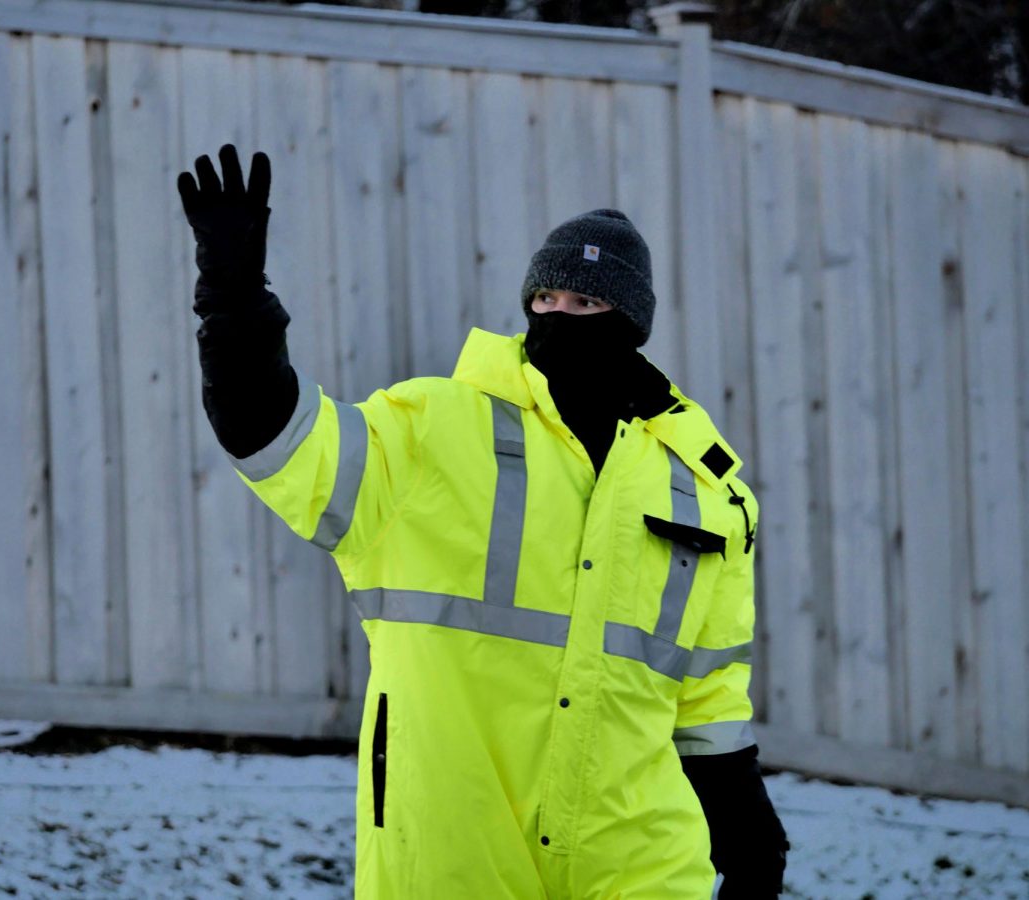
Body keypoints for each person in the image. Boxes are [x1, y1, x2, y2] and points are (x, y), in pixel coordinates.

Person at [178, 144, 788, 899]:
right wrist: (234, 300)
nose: (560, 316)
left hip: (636, 858)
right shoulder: (436, 429)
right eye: (546, 300)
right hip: (456, 847)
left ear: (629, 320)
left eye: (586, 303)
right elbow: (275, 438)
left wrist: (748, 828)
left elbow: (709, 690)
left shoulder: (701, 486)